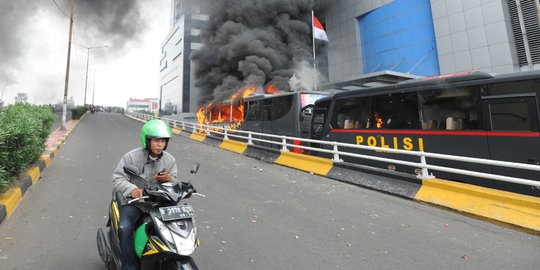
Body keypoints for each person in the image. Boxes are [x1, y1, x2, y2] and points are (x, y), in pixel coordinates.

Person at [112, 119, 178, 270]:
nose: (160, 144)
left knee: (173, 224)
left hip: (158, 202)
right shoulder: (131, 157)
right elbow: (118, 177)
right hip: (135, 202)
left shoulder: (170, 160)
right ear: (147, 140)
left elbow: (175, 181)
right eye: (156, 140)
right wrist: (131, 189)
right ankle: (129, 266)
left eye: (163, 141)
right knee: (124, 228)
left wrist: (169, 179)